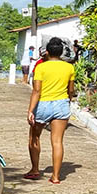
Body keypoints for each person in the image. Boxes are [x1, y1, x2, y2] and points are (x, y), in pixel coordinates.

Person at [24, 37, 75, 183]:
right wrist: (68, 100)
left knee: (34, 137)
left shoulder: (41, 67)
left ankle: (35, 170)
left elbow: (36, 91)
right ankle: (56, 177)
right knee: (57, 141)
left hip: (43, 105)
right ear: (61, 52)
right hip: (61, 104)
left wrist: (30, 111)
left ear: (47, 52)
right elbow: (71, 90)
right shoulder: (69, 67)